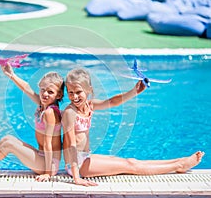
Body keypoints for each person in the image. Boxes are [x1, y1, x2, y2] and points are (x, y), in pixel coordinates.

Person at [62, 67, 205, 186]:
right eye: (70, 92)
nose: (74, 97)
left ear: (88, 90)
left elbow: (112, 101)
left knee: (132, 162)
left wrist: (134, 91)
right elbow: (71, 146)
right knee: (130, 166)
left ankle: (179, 161)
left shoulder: (89, 105)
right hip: (78, 166)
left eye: (78, 92)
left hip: (85, 158)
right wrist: (76, 178)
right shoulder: (70, 113)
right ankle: (179, 166)